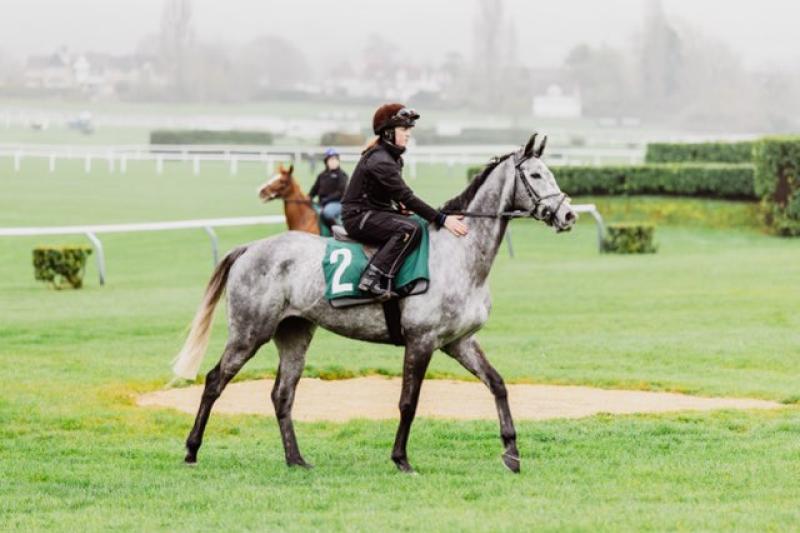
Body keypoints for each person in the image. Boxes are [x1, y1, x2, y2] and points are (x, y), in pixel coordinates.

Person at [341, 103, 468, 299]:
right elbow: (406, 196)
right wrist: (442, 219)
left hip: (373, 212)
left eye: (409, 129)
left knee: (417, 222)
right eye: (403, 129)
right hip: (358, 217)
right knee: (409, 228)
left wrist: (428, 213)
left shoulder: (393, 158)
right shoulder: (380, 160)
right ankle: (373, 276)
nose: (408, 134)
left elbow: (397, 196)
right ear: (388, 133)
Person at [309, 148, 348, 228]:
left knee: (326, 213)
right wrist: (308, 197)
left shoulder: (342, 175)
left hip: (337, 203)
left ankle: (335, 231)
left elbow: (340, 193)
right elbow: (315, 189)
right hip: (322, 203)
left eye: (335, 159)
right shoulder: (322, 175)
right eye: (331, 159)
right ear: (326, 162)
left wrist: (327, 200)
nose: (333, 161)